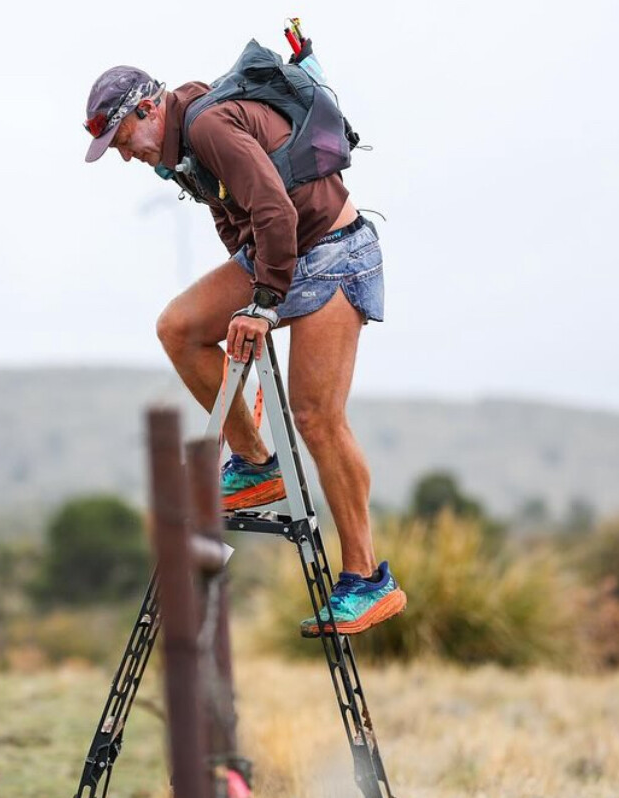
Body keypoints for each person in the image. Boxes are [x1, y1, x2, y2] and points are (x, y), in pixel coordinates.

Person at [83, 64, 406, 636]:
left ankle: (367, 580)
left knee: (316, 417)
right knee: (179, 328)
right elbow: (235, 222)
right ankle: (257, 465)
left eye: (123, 140)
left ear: (147, 110)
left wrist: (263, 303)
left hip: (333, 249)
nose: (126, 156)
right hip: (281, 251)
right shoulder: (182, 149)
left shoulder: (206, 127)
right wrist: (255, 292)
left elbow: (275, 209)